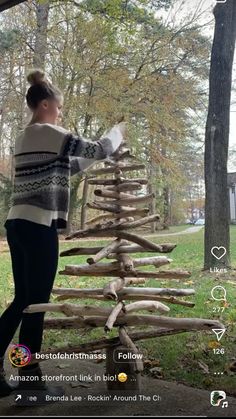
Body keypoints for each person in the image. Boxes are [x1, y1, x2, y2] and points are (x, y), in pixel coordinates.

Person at [0, 69, 126, 398]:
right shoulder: (51, 131)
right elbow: (99, 149)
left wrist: (93, 158)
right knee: (36, 304)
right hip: (38, 228)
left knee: (24, 301)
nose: (61, 113)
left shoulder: (24, 137)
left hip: (17, 224)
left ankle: (17, 375)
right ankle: (31, 383)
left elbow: (67, 167)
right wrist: (117, 133)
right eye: (58, 107)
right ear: (44, 104)